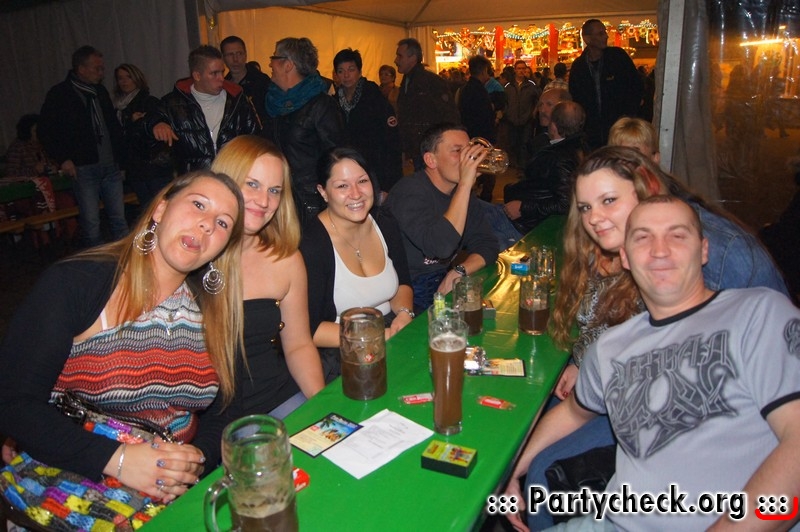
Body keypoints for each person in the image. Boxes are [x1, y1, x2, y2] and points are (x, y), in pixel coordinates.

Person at [508, 146, 789, 531]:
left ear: (704, 248)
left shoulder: (755, 307)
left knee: (547, 472)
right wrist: (511, 468)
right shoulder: (612, 347)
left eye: (676, 236)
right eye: (586, 207)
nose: (659, 251)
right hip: (620, 516)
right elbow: (576, 409)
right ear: (626, 257)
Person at [0, 170, 244, 512]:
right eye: (198, 205)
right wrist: (118, 459)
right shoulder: (78, 283)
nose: (206, 224)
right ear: (160, 210)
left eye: (222, 223)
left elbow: (225, 405)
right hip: (79, 485)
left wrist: (193, 461)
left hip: (173, 491)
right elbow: (14, 402)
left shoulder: (211, 308)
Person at [209, 135, 324, 421]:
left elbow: (298, 345)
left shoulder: (285, 259)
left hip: (277, 402)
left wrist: (322, 406)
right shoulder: (193, 254)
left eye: (274, 190)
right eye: (252, 184)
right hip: (209, 421)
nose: (264, 201)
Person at [608, 117, 788, 293]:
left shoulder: (710, 239)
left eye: (633, 155)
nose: (623, 165)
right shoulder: (618, 219)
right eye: (616, 156)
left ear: (655, 158)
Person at [299, 147, 413, 381]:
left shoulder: (385, 222)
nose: (356, 193)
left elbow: (403, 282)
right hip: (341, 351)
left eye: (362, 181)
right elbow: (309, 329)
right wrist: (374, 335)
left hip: (391, 332)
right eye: (342, 186)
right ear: (323, 192)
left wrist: (404, 313)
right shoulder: (311, 244)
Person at [386, 124, 498, 311]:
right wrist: (465, 184)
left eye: (469, 150)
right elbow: (441, 247)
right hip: (403, 290)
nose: (469, 158)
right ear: (431, 160)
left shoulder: (462, 194)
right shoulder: (409, 192)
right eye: (458, 151)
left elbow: (487, 243)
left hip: (440, 278)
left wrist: (460, 270)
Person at [39, 45, 128, 248]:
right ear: (81, 69)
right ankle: (94, 260)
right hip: (83, 166)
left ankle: (123, 256)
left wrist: (121, 158)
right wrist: (63, 158)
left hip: (109, 164)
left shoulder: (99, 92)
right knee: (91, 221)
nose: (101, 72)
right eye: (97, 68)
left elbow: (112, 126)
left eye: (102, 68)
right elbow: (46, 130)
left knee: (118, 217)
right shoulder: (61, 94)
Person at [262, 37, 344, 225]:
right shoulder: (273, 102)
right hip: (279, 198)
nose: (270, 64)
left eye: (274, 57)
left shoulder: (321, 105)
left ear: (288, 65)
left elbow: (336, 156)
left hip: (311, 203)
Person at [147, 45, 260, 173]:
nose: (221, 78)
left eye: (222, 72)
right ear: (197, 76)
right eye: (214, 73)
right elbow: (145, 131)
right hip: (194, 179)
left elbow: (256, 139)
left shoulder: (238, 100)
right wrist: (156, 124)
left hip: (232, 175)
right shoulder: (173, 103)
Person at [503, 101, 588, 233]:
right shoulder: (576, 148)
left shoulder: (561, 158)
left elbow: (565, 203)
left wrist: (523, 208)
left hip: (526, 224)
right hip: (528, 218)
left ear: (553, 125)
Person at [333, 48, 402, 196]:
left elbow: (391, 141)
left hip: (377, 170)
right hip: (348, 170)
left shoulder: (374, 98)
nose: (346, 75)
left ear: (359, 71)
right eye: (341, 71)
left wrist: (389, 183)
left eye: (351, 69)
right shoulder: (334, 102)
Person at [569, 19, 643, 149]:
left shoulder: (617, 58)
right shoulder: (579, 67)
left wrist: (628, 115)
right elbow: (576, 97)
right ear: (587, 39)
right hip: (591, 133)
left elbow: (636, 86)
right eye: (600, 33)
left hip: (620, 129)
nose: (606, 36)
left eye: (604, 32)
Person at [113, 63, 173, 209]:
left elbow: (155, 133)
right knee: (147, 210)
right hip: (135, 168)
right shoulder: (118, 107)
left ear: (137, 78)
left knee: (161, 208)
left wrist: (135, 123)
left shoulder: (148, 101)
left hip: (153, 167)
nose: (124, 81)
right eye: (120, 78)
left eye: (128, 77)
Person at [394, 38, 459, 171]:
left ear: (413, 58)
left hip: (430, 148)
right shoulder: (408, 81)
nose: (396, 60)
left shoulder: (431, 83)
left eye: (400, 56)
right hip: (419, 147)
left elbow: (449, 116)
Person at [459, 55, 497, 203]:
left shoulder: (466, 89)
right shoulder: (478, 90)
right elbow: (485, 118)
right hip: (481, 139)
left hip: (470, 136)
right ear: (484, 70)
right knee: (487, 171)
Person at [220, 35, 271, 125]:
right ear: (223, 58)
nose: (235, 59)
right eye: (230, 54)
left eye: (239, 53)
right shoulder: (221, 86)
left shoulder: (261, 81)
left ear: (245, 55)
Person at [502, 60, 541, 168]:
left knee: (524, 144)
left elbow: (538, 99)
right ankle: (513, 165)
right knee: (513, 143)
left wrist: (533, 112)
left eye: (523, 68)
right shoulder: (508, 86)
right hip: (512, 120)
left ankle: (522, 167)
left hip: (526, 120)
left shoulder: (531, 85)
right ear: (515, 70)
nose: (521, 71)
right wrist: (506, 112)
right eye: (519, 68)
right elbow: (504, 101)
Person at [530, 87, 572, 155]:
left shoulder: (573, 147)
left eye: (549, 104)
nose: (542, 110)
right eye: (540, 105)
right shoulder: (536, 144)